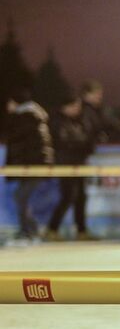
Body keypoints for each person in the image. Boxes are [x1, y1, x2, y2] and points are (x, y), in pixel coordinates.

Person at [44, 94, 97, 240]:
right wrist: (83, 143)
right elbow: (68, 141)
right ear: (65, 107)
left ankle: (81, 231)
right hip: (66, 164)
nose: (78, 109)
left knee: (81, 197)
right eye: (75, 106)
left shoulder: (77, 121)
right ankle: (51, 229)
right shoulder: (58, 122)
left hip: (78, 163)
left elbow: (86, 137)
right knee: (68, 196)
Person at [4, 89, 54, 243]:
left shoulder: (25, 117)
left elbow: (18, 141)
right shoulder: (33, 115)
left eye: (9, 102)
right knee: (20, 196)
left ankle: (29, 231)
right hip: (35, 164)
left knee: (20, 196)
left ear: (15, 103)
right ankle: (30, 230)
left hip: (33, 165)